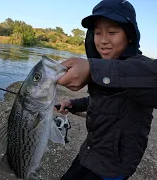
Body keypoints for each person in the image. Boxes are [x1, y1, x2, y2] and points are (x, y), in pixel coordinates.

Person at [55, 0, 157, 180]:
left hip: (114, 167)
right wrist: (72, 103)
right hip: (90, 152)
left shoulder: (141, 67)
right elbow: (100, 100)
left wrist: (94, 69)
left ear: (130, 36)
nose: (103, 40)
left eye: (112, 32)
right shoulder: (106, 67)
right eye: (97, 32)